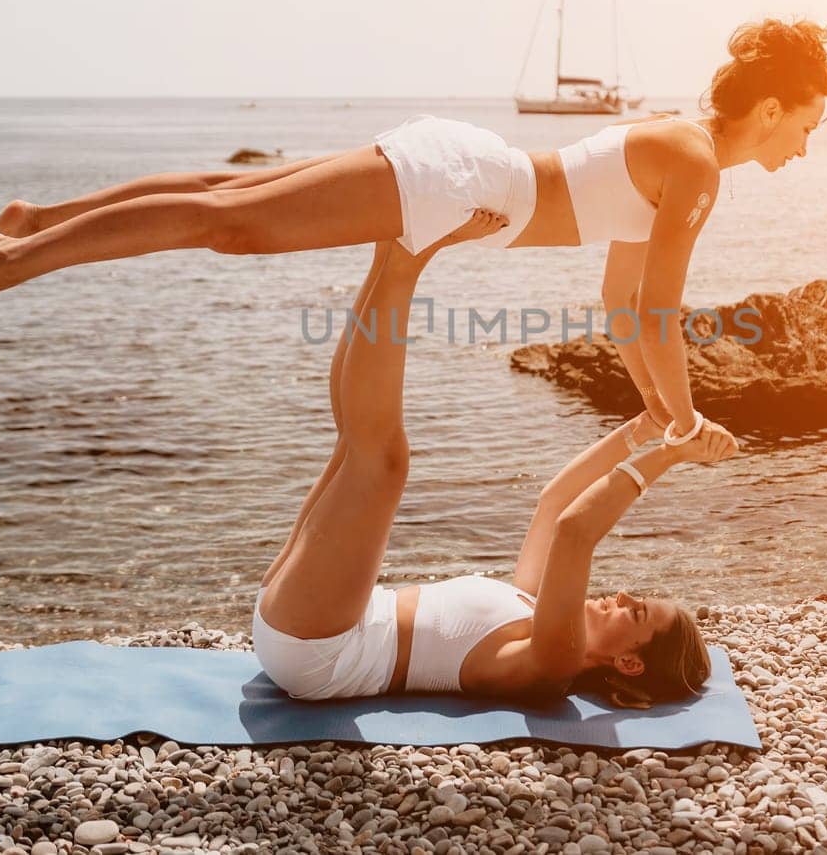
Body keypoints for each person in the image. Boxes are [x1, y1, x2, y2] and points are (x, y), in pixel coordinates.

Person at [0, 16, 827, 444]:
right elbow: (654, 316)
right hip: (457, 184)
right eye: (808, 121)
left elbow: (619, 305)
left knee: (223, 191)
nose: (806, 145)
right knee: (230, 223)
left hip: (463, 171)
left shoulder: (680, 146)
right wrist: (681, 416)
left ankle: (36, 221)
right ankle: (15, 259)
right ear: (770, 106)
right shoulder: (693, 166)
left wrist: (653, 410)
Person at [251, 212, 737, 704]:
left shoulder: (554, 660)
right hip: (313, 617)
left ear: (628, 663)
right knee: (355, 442)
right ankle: (392, 250)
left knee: (384, 462)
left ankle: (408, 258)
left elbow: (575, 533)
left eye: (636, 614)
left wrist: (669, 458)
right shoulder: (533, 603)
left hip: (322, 649)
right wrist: (643, 429)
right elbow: (555, 503)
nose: (625, 596)